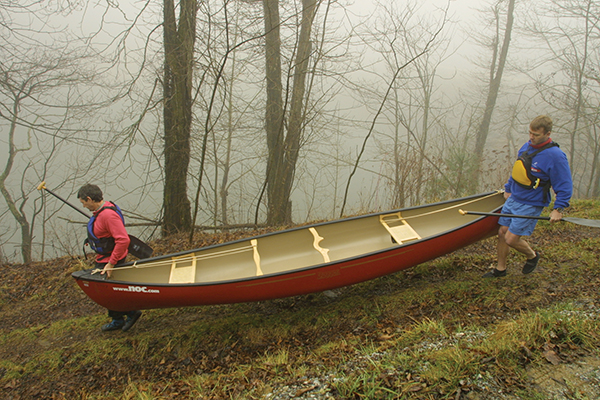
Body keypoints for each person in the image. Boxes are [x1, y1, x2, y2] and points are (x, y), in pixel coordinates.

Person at [483, 115, 573, 278]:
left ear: (548, 134)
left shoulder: (555, 156)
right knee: (502, 233)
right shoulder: (526, 147)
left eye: (536, 135)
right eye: (530, 133)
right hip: (514, 197)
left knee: (511, 238)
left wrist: (558, 208)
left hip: (531, 203)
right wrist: (508, 188)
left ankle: (532, 256)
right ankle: (500, 269)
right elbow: (518, 169)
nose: (531, 137)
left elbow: (564, 184)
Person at [77, 184, 142, 331]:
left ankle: (131, 312)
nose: (84, 206)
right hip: (104, 258)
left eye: (84, 203)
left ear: (89, 199)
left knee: (107, 291)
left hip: (112, 259)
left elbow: (123, 240)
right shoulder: (101, 211)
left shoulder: (108, 215)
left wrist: (111, 264)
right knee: (108, 290)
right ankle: (117, 319)